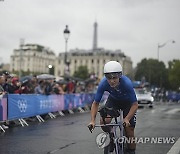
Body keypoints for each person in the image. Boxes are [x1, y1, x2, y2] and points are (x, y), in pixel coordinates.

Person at [88, 61, 138, 154]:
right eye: (108, 78)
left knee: (129, 131)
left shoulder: (127, 83)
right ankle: (111, 135)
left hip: (128, 104)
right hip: (114, 101)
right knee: (104, 122)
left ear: (120, 75)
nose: (111, 81)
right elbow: (95, 103)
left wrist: (127, 119)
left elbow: (135, 105)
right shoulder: (103, 83)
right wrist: (92, 120)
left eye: (114, 78)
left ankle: (131, 151)